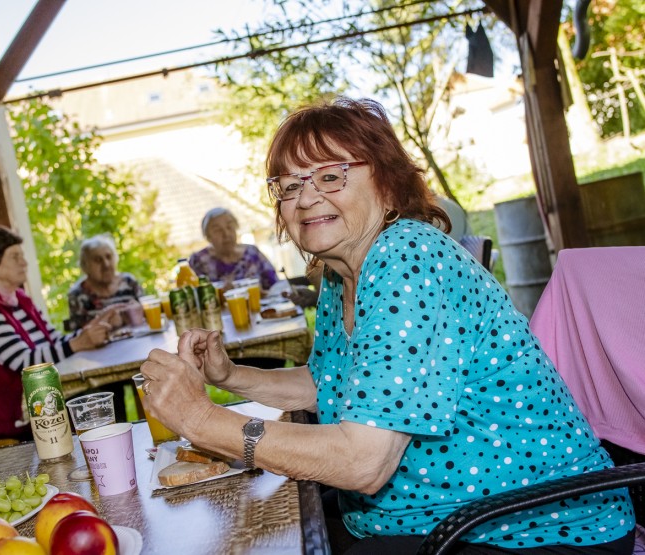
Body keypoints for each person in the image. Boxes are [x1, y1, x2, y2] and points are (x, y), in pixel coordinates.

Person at [138, 98, 635, 554]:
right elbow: (328, 384)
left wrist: (201, 420)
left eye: (330, 176)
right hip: (433, 513)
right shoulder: (341, 275)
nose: (306, 198)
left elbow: (362, 462)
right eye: (289, 185)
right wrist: (228, 376)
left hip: (534, 526)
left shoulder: (408, 258)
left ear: (387, 182)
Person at [0, 226, 115, 440]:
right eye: (15, 257)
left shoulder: (19, 299)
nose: (24, 262)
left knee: (102, 397)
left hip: (39, 410)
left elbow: (53, 342)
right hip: (8, 424)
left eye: (22, 255)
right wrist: (78, 343)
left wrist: (87, 333)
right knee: (95, 404)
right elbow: (26, 364)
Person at [188, 207, 279, 291]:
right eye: (217, 230)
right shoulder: (198, 261)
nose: (226, 234)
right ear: (208, 237)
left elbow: (276, 286)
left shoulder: (252, 253)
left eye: (229, 227)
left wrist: (264, 293)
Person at [67, 234, 143, 331]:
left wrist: (137, 311)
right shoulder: (77, 295)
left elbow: (147, 310)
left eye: (109, 257)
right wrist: (106, 322)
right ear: (85, 266)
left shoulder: (129, 282)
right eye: (98, 260)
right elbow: (78, 336)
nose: (106, 264)